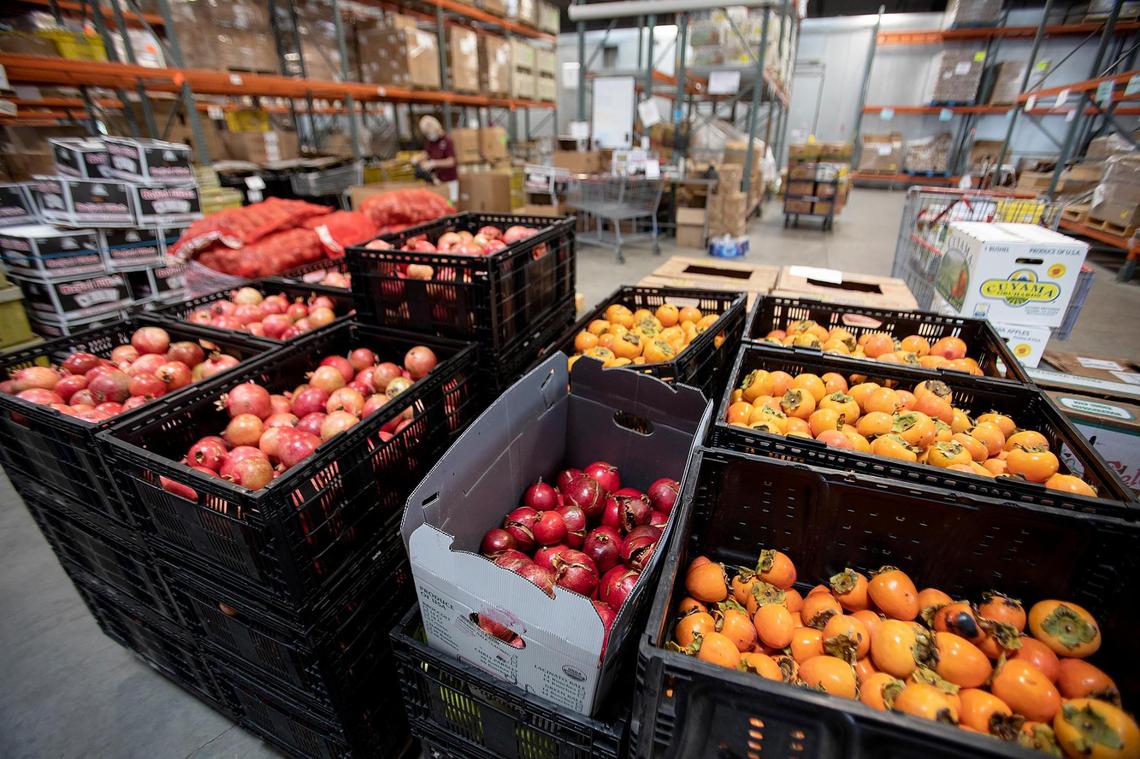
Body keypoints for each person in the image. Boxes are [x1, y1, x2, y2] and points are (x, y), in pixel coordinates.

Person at [414, 115, 458, 203]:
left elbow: (451, 161)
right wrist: (418, 158)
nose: (429, 136)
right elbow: (426, 153)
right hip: (438, 180)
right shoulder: (431, 142)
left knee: (450, 204)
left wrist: (434, 163)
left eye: (429, 133)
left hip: (450, 181)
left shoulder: (447, 140)